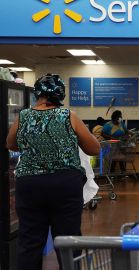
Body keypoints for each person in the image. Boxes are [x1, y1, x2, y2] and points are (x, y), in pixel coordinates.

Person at [5, 73, 100, 270]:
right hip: (64, 184)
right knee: (68, 240)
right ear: (60, 94)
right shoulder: (69, 116)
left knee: (30, 242)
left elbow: (10, 144)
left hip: (29, 185)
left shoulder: (23, 117)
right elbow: (94, 149)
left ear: (37, 93)